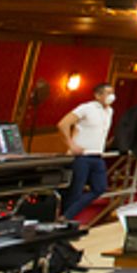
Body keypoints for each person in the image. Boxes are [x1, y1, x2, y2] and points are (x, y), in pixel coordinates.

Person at [58, 82, 115, 221]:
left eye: (112, 93)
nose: (111, 96)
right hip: (81, 157)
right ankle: (65, 221)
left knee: (100, 188)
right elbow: (63, 124)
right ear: (98, 95)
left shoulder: (110, 111)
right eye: (108, 93)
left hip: (97, 156)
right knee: (75, 191)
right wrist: (71, 144)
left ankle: (66, 216)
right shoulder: (86, 108)